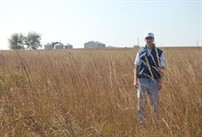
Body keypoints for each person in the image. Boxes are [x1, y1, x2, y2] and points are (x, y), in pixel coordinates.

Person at [134, 32, 167, 124]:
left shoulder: (160, 52)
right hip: (142, 80)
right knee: (141, 103)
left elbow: (163, 68)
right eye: (147, 38)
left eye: (150, 38)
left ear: (153, 39)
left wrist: (160, 82)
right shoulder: (140, 52)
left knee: (155, 103)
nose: (149, 40)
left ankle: (155, 122)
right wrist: (135, 80)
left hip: (154, 81)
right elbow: (136, 66)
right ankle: (141, 124)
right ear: (145, 40)